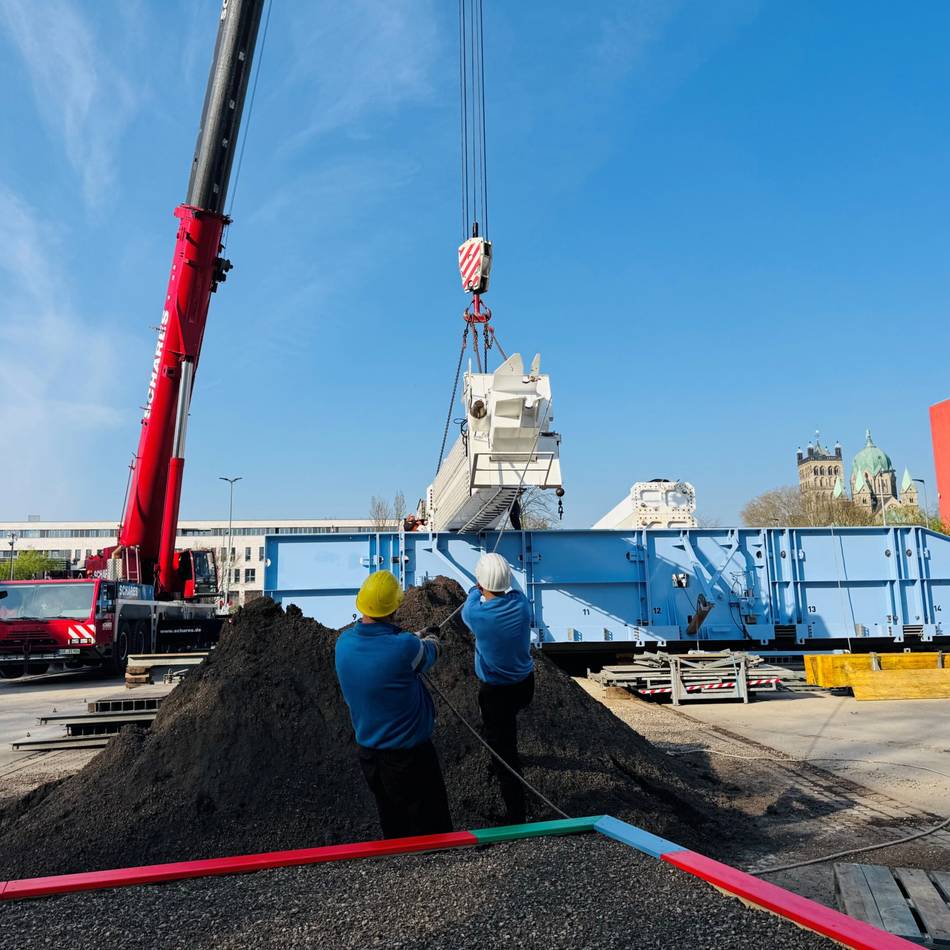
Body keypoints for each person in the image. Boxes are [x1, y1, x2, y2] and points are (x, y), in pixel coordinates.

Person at [335, 570, 453, 839]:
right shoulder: (404, 648)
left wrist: (415, 635)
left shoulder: (343, 644)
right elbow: (430, 651)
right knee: (433, 828)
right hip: (410, 756)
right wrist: (431, 636)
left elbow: (385, 645)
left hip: (369, 755)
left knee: (394, 825)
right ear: (394, 607)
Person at [461, 553, 535, 824]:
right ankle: (503, 753)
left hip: (496, 692)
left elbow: (469, 600)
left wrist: (474, 588)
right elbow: (513, 590)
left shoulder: (475, 614)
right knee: (507, 727)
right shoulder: (522, 605)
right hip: (525, 685)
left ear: (481, 584)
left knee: (504, 748)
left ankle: (515, 814)